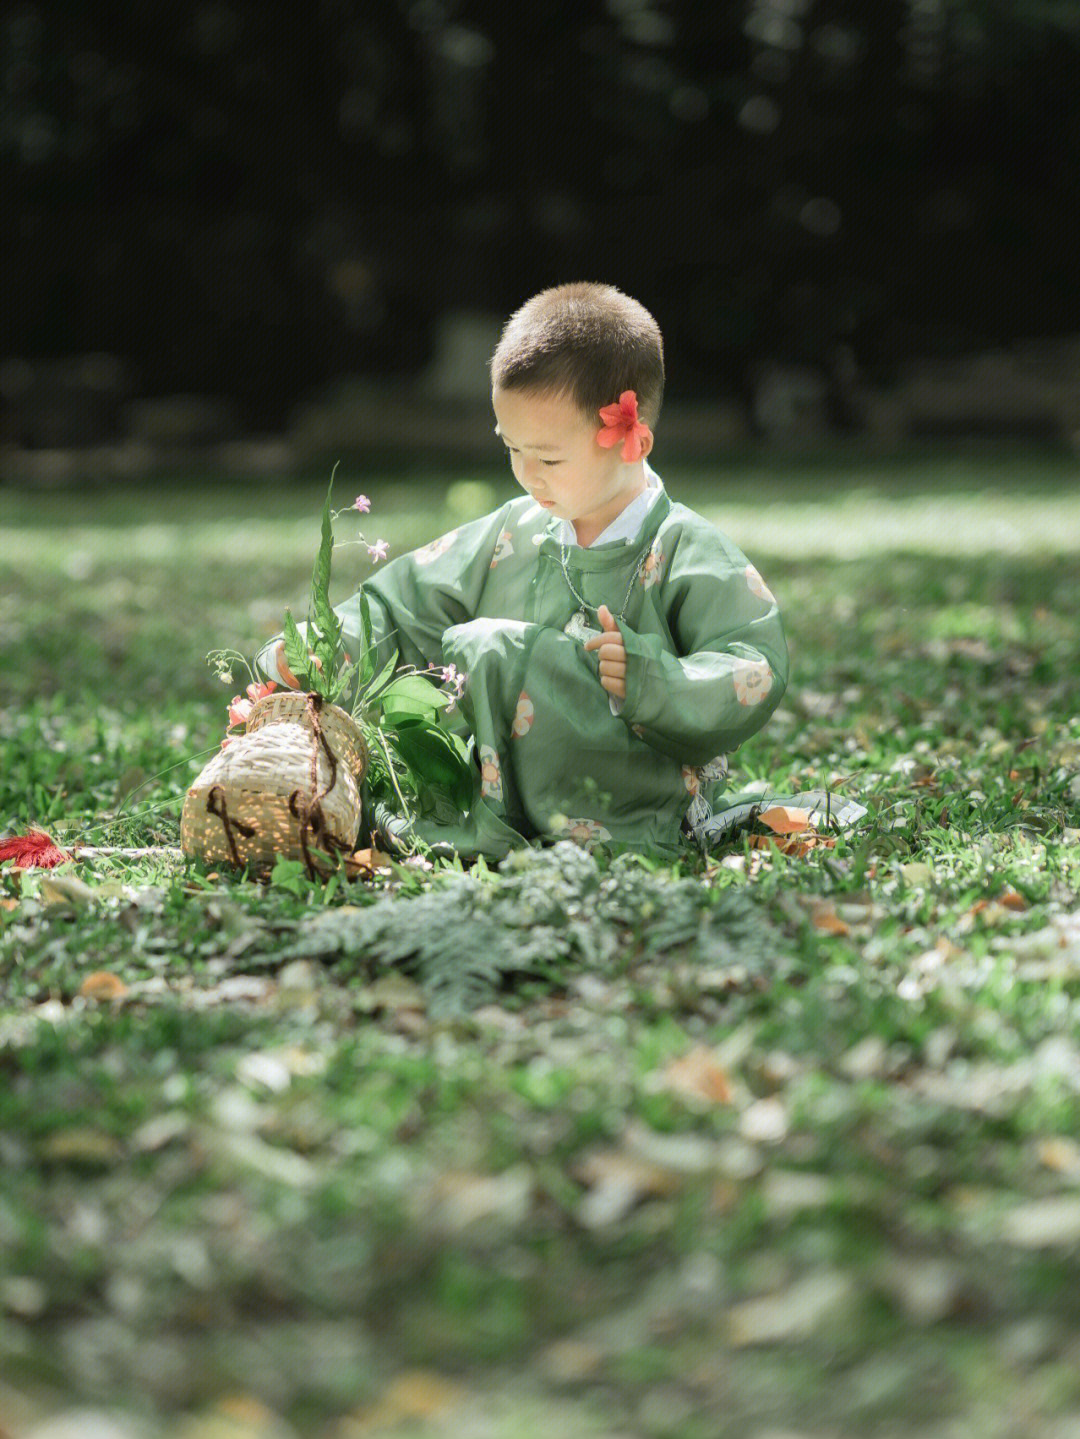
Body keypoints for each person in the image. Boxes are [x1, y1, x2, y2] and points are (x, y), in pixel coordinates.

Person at [257, 281, 864, 861]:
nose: (528, 474)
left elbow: (751, 660)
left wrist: (653, 678)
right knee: (464, 668)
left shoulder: (683, 546)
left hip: (636, 786)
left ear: (633, 441)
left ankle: (580, 825)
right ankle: (505, 813)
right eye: (511, 448)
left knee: (491, 646)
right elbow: (410, 600)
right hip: (508, 777)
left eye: (548, 456)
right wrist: (326, 646)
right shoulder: (514, 531)